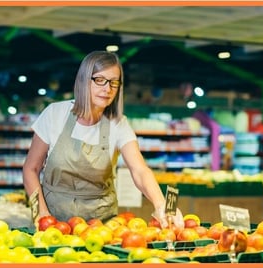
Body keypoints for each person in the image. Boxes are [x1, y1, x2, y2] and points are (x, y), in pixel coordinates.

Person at [23, 50, 184, 229]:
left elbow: (140, 170)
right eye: (100, 80)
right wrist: (41, 214)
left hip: (101, 226)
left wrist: (161, 203)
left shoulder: (118, 124)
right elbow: (31, 169)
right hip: (53, 221)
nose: (107, 89)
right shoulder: (55, 114)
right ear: (84, 80)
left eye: (114, 83)